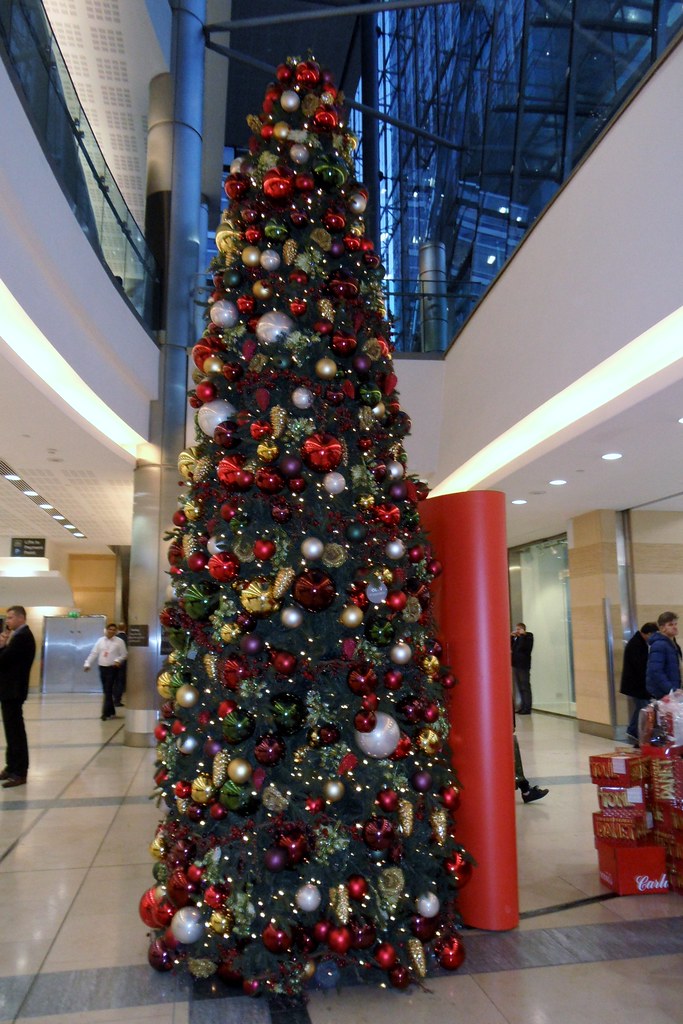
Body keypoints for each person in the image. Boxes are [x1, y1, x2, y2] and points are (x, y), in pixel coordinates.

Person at [0, 605, 36, 789]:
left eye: (10, 617)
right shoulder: (19, 636)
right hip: (10, 690)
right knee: (11, 731)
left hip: (13, 691)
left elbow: (3, 661)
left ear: (21, 618)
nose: (8, 621)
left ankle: (20, 772)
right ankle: (11, 766)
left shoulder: (22, 637)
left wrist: (1, 646)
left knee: (16, 732)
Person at [620, 621, 658, 743]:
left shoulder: (638, 642)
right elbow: (640, 667)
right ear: (648, 634)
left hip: (636, 684)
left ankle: (632, 731)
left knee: (640, 707)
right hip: (636, 684)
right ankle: (634, 731)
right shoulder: (636, 645)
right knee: (644, 707)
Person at [84, 622, 127, 720]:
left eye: (113, 630)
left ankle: (105, 713)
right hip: (102, 667)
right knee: (106, 690)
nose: (111, 631)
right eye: (110, 629)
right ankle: (111, 710)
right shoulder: (100, 641)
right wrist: (87, 663)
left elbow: (124, 654)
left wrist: (118, 660)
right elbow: (94, 653)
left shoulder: (119, 641)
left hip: (113, 668)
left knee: (108, 689)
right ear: (106, 630)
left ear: (116, 631)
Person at [646, 611, 682, 699]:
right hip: (664, 694)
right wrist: (671, 689)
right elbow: (656, 671)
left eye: (675, 624)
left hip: (670, 692)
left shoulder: (670, 644)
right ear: (662, 628)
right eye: (670, 625)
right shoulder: (659, 645)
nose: (675, 627)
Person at [511, 622, 534, 714]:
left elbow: (522, 647)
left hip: (523, 666)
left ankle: (527, 707)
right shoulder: (517, 638)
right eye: (516, 629)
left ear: (524, 629)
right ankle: (522, 706)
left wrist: (522, 636)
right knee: (520, 687)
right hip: (516, 665)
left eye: (519, 629)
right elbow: (513, 648)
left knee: (525, 686)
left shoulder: (528, 637)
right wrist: (512, 637)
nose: (517, 631)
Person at [113, 623, 128, 707]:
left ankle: (114, 697)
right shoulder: (127, 638)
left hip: (114, 662)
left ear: (118, 628)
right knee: (121, 681)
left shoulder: (114, 638)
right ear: (125, 628)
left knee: (115, 681)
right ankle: (117, 700)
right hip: (123, 663)